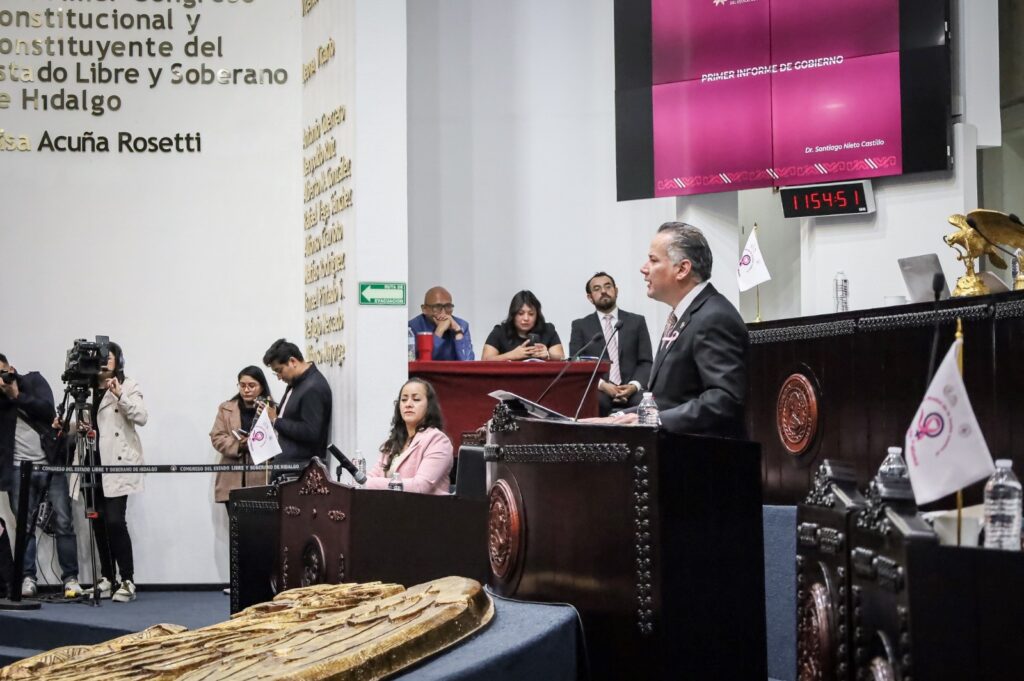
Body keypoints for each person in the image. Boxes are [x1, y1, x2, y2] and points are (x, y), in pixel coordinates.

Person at [611, 222, 748, 437]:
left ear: (682, 269)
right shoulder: (685, 315)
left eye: (653, 260)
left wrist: (655, 421)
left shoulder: (714, 317)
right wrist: (615, 419)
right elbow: (669, 400)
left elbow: (724, 399)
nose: (644, 268)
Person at [0, 353, 81, 598]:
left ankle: (71, 578)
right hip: (18, 469)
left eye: (2, 372)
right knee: (24, 526)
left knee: (63, 522)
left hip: (50, 464)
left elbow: (47, 411)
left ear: (11, 369)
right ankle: (27, 577)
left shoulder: (34, 381)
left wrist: (16, 395)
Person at [74, 342, 148, 602]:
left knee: (116, 521)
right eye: (101, 358)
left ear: (119, 361)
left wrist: (120, 395)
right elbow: (87, 425)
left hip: (116, 463)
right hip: (91, 461)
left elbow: (141, 417)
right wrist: (72, 427)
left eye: (110, 357)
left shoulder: (128, 385)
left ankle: (127, 580)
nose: (105, 362)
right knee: (97, 522)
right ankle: (107, 577)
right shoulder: (85, 390)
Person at [569, 272, 654, 415]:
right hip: (599, 390)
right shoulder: (580, 326)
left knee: (647, 404)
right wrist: (603, 385)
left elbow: (645, 361)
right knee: (594, 402)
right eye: (597, 289)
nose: (603, 291)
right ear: (590, 297)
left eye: (608, 286)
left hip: (632, 390)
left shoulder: (637, 321)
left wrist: (633, 386)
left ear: (616, 291)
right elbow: (576, 363)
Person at [365, 378, 453, 495]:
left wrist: (368, 483)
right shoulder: (393, 442)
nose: (408, 404)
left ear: (429, 406)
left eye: (416, 399)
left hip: (426, 506)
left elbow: (420, 486)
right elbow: (372, 475)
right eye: (404, 399)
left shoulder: (438, 440)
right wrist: (361, 482)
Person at [262, 339, 332, 469]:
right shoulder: (297, 382)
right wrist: (275, 410)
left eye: (279, 370)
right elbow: (293, 415)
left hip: (300, 470)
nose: (279, 377)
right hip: (289, 466)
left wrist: (276, 420)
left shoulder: (313, 387)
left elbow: (311, 432)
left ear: (293, 361)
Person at [210, 366, 274, 505]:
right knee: (236, 519)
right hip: (231, 478)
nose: (246, 389)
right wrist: (239, 445)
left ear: (262, 386)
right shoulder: (226, 408)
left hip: (261, 478)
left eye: (251, 385)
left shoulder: (272, 409)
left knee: (261, 519)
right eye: (242, 385)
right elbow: (217, 436)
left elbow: (278, 439)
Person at [482, 290, 565, 361]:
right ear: (513, 314)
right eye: (520, 313)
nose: (526, 318)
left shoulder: (548, 330)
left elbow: (562, 358)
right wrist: (511, 355)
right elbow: (484, 360)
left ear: (537, 315)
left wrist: (548, 355)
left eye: (531, 314)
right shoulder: (500, 331)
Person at [408, 287, 475, 360]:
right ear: (424, 309)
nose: (443, 313)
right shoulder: (412, 327)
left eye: (448, 306)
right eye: (437, 307)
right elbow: (420, 361)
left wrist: (457, 331)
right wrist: (439, 331)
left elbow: (468, 361)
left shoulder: (461, 325)